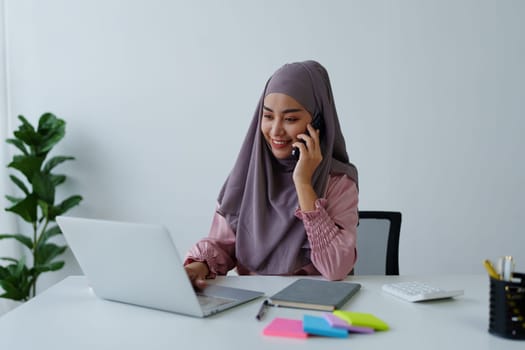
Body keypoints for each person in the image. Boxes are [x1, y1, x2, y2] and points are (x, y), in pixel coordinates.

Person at [184, 60, 359, 289]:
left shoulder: (338, 182)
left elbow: (336, 268)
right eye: (267, 116)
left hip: (315, 307)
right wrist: (197, 267)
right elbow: (222, 245)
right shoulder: (247, 176)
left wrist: (304, 183)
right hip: (254, 305)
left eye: (290, 119)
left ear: (317, 122)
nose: (275, 130)